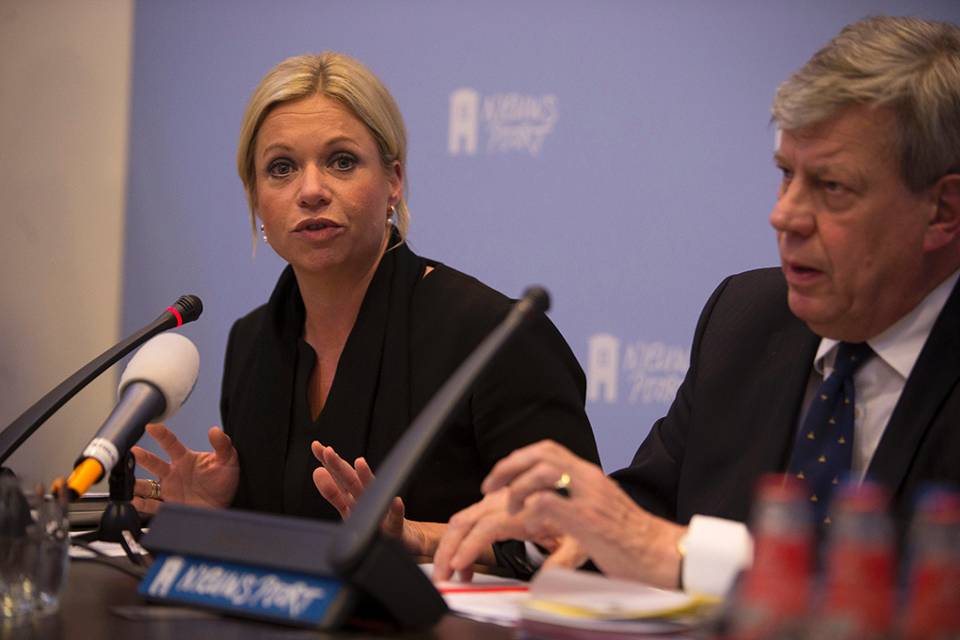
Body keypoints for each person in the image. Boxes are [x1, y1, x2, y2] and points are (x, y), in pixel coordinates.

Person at [433, 15, 960, 596]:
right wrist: (554, 523)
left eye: (832, 187)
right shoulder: (749, 319)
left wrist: (676, 552)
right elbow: (645, 513)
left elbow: (920, 594)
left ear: (942, 211)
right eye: (786, 175)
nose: (784, 214)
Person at [129, 52, 599, 560]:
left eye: (341, 161)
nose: (311, 191)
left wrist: (419, 537)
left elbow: (585, 535)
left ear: (393, 181)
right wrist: (221, 516)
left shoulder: (494, 337)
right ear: (255, 197)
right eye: (282, 168)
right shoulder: (253, 342)